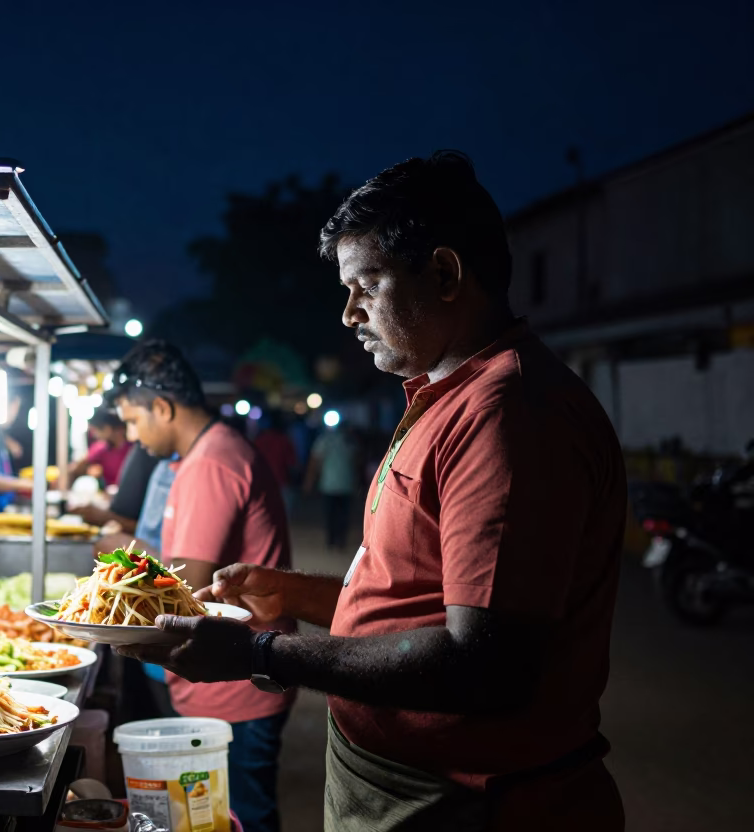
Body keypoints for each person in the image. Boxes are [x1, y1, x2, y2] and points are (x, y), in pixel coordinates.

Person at [122, 153, 626, 832]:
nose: (348, 313)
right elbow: (421, 607)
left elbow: (486, 661)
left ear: (445, 275)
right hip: (408, 782)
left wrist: (260, 654)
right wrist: (294, 595)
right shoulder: (445, 399)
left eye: (368, 284)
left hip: (469, 799)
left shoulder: (507, 413)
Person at [112, 340, 295, 832]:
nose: (131, 435)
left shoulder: (212, 462)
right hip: (226, 678)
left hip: (240, 685)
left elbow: (186, 580)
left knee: (243, 817)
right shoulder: (198, 457)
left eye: (132, 420)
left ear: (163, 408)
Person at [304, 422, 357, 549]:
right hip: (346, 484)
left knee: (330, 514)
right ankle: (340, 540)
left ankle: (331, 540)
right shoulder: (350, 441)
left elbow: (314, 461)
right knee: (343, 514)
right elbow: (357, 461)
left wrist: (309, 482)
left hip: (329, 484)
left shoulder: (323, 440)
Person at [69, 407, 131, 487]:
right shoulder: (100, 449)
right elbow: (77, 468)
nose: (94, 435)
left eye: (95, 430)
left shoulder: (132, 449)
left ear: (107, 429)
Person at [253, 410, 298, 515]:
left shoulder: (259, 440)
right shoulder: (283, 440)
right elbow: (292, 463)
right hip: (281, 481)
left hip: (262, 482)